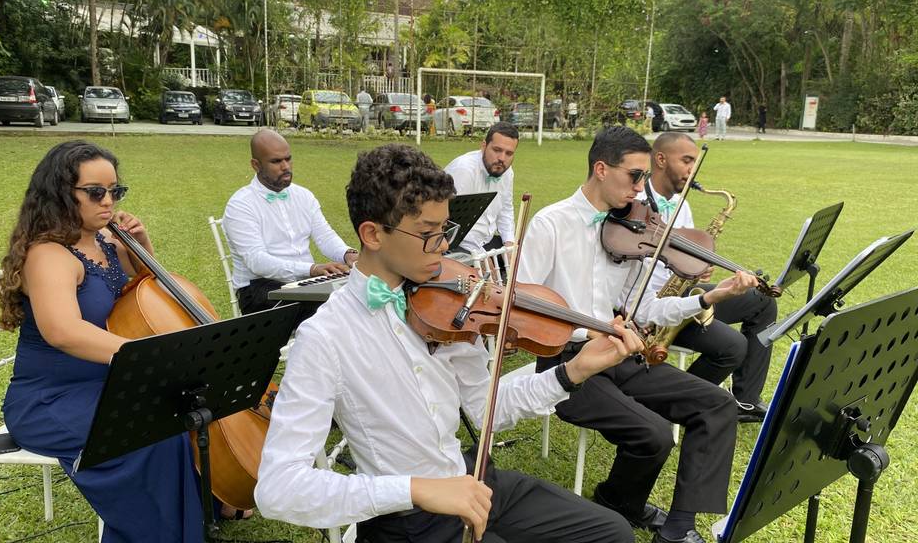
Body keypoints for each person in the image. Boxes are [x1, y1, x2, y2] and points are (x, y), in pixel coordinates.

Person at [255, 143, 645, 543]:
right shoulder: (324, 338)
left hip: (473, 479)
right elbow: (278, 488)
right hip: (409, 519)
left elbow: (486, 409)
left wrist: (574, 371)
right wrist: (415, 488)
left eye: (445, 230)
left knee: (611, 532)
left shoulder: (449, 306)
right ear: (372, 234)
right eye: (427, 234)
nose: (443, 246)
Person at [517, 126, 760, 543]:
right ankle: (619, 499)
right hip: (568, 362)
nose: (641, 188)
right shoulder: (550, 224)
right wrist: (586, 328)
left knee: (716, 404)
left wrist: (708, 298)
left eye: (644, 177)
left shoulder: (630, 232)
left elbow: (645, 310)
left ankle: (679, 528)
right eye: (634, 176)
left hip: (620, 350)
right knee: (654, 434)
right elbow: (522, 306)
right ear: (600, 169)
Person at [0, 140, 207, 542]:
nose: (108, 201)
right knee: (148, 428)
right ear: (61, 192)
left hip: (105, 384)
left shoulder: (107, 242)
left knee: (182, 408)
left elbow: (151, 290)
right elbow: (63, 331)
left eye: (115, 191)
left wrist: (141, 243)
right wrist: (147, 358)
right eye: (95, 192)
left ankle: (196, 513)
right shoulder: (49, 255)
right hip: (50, 400)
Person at [642, 133, 778, 422]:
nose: (692, 170)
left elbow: (687, 260)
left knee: (762, 302)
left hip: (683, 292)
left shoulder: (683, 204)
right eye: (687, 161)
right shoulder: (635, 202)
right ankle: (672, 404)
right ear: (661, 159)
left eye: (694, 162)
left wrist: (698, 267)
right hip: (651, 306)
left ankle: (747, 401)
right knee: (732, 346)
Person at [222, 130, 357, 314]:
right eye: (276, 161)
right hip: (260, 289)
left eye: (288, 159)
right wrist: (312, 270)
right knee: (332, 311)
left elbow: (325, 236)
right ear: (256, 165)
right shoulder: (240, 205)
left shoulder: (304, 196)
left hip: (306, 283)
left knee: (359, 296)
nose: (285, 166)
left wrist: (348, 254)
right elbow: (257, 261)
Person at [444, 121, 518, 255]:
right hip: (456, 245)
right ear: (484, 146)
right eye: (497, 150)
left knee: (521, 259)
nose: (502, 158)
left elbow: (506, 210)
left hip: (485, 242)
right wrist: (480, 256)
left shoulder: (507, 171)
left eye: (509, 153)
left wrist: (509, 244)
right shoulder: (464, 170)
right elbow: (452, 225)